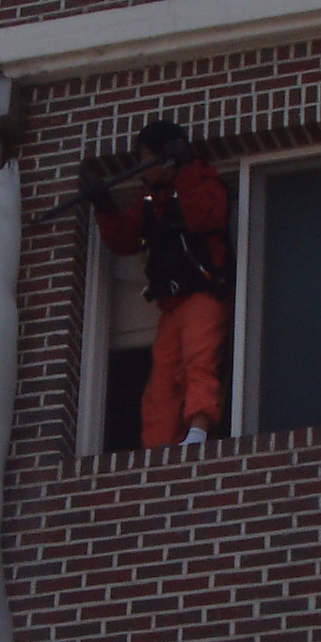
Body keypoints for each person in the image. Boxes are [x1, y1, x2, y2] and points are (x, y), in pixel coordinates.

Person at [84, 120, 230, 447]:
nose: (142, 167)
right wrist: (105, 207)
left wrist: (186, 167)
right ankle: (158, 449)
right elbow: (126, 240)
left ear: (164, 158)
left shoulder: (202, 179)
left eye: (146, 158)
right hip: (171, 305)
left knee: (200, 364)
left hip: (202, 294)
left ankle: (199, 432)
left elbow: (206, 216)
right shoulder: (150, 199)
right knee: (161, 386)